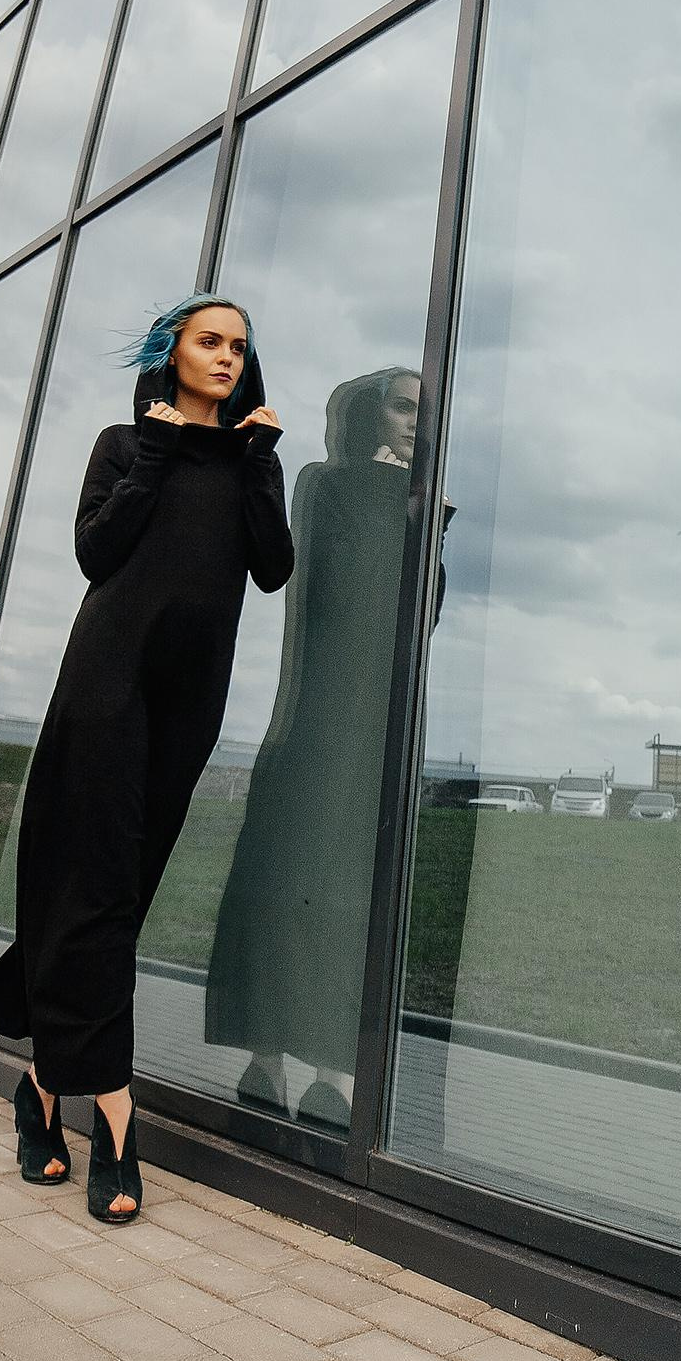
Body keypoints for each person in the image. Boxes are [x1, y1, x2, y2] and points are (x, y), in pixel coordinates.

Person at [0, 293, 293, 1222]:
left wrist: (260, 462)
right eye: (210, 342)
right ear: (174, 352)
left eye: (239, 346)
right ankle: (113, 1113)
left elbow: (273, 567)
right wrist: (155, 449)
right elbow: (96, 552)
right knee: (98, 888)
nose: (227, 357)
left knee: (114, 893)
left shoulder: (252, 459)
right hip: (105, 685)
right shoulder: (123, 442)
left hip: (190, 703)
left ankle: (37, 1082)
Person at [204, 367, 451, 1130]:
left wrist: (422, 523)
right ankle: (266, 1056)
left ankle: (334, 1071)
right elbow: (334, 590)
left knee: (349, 888)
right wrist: (389, 504)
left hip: (377, 723)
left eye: (424, 411)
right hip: (315, 718)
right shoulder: (326, 485)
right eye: (402, 407)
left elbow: (420, 617)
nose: (415, 421)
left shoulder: (412, 500)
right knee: (284, 875)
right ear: (367, 416)